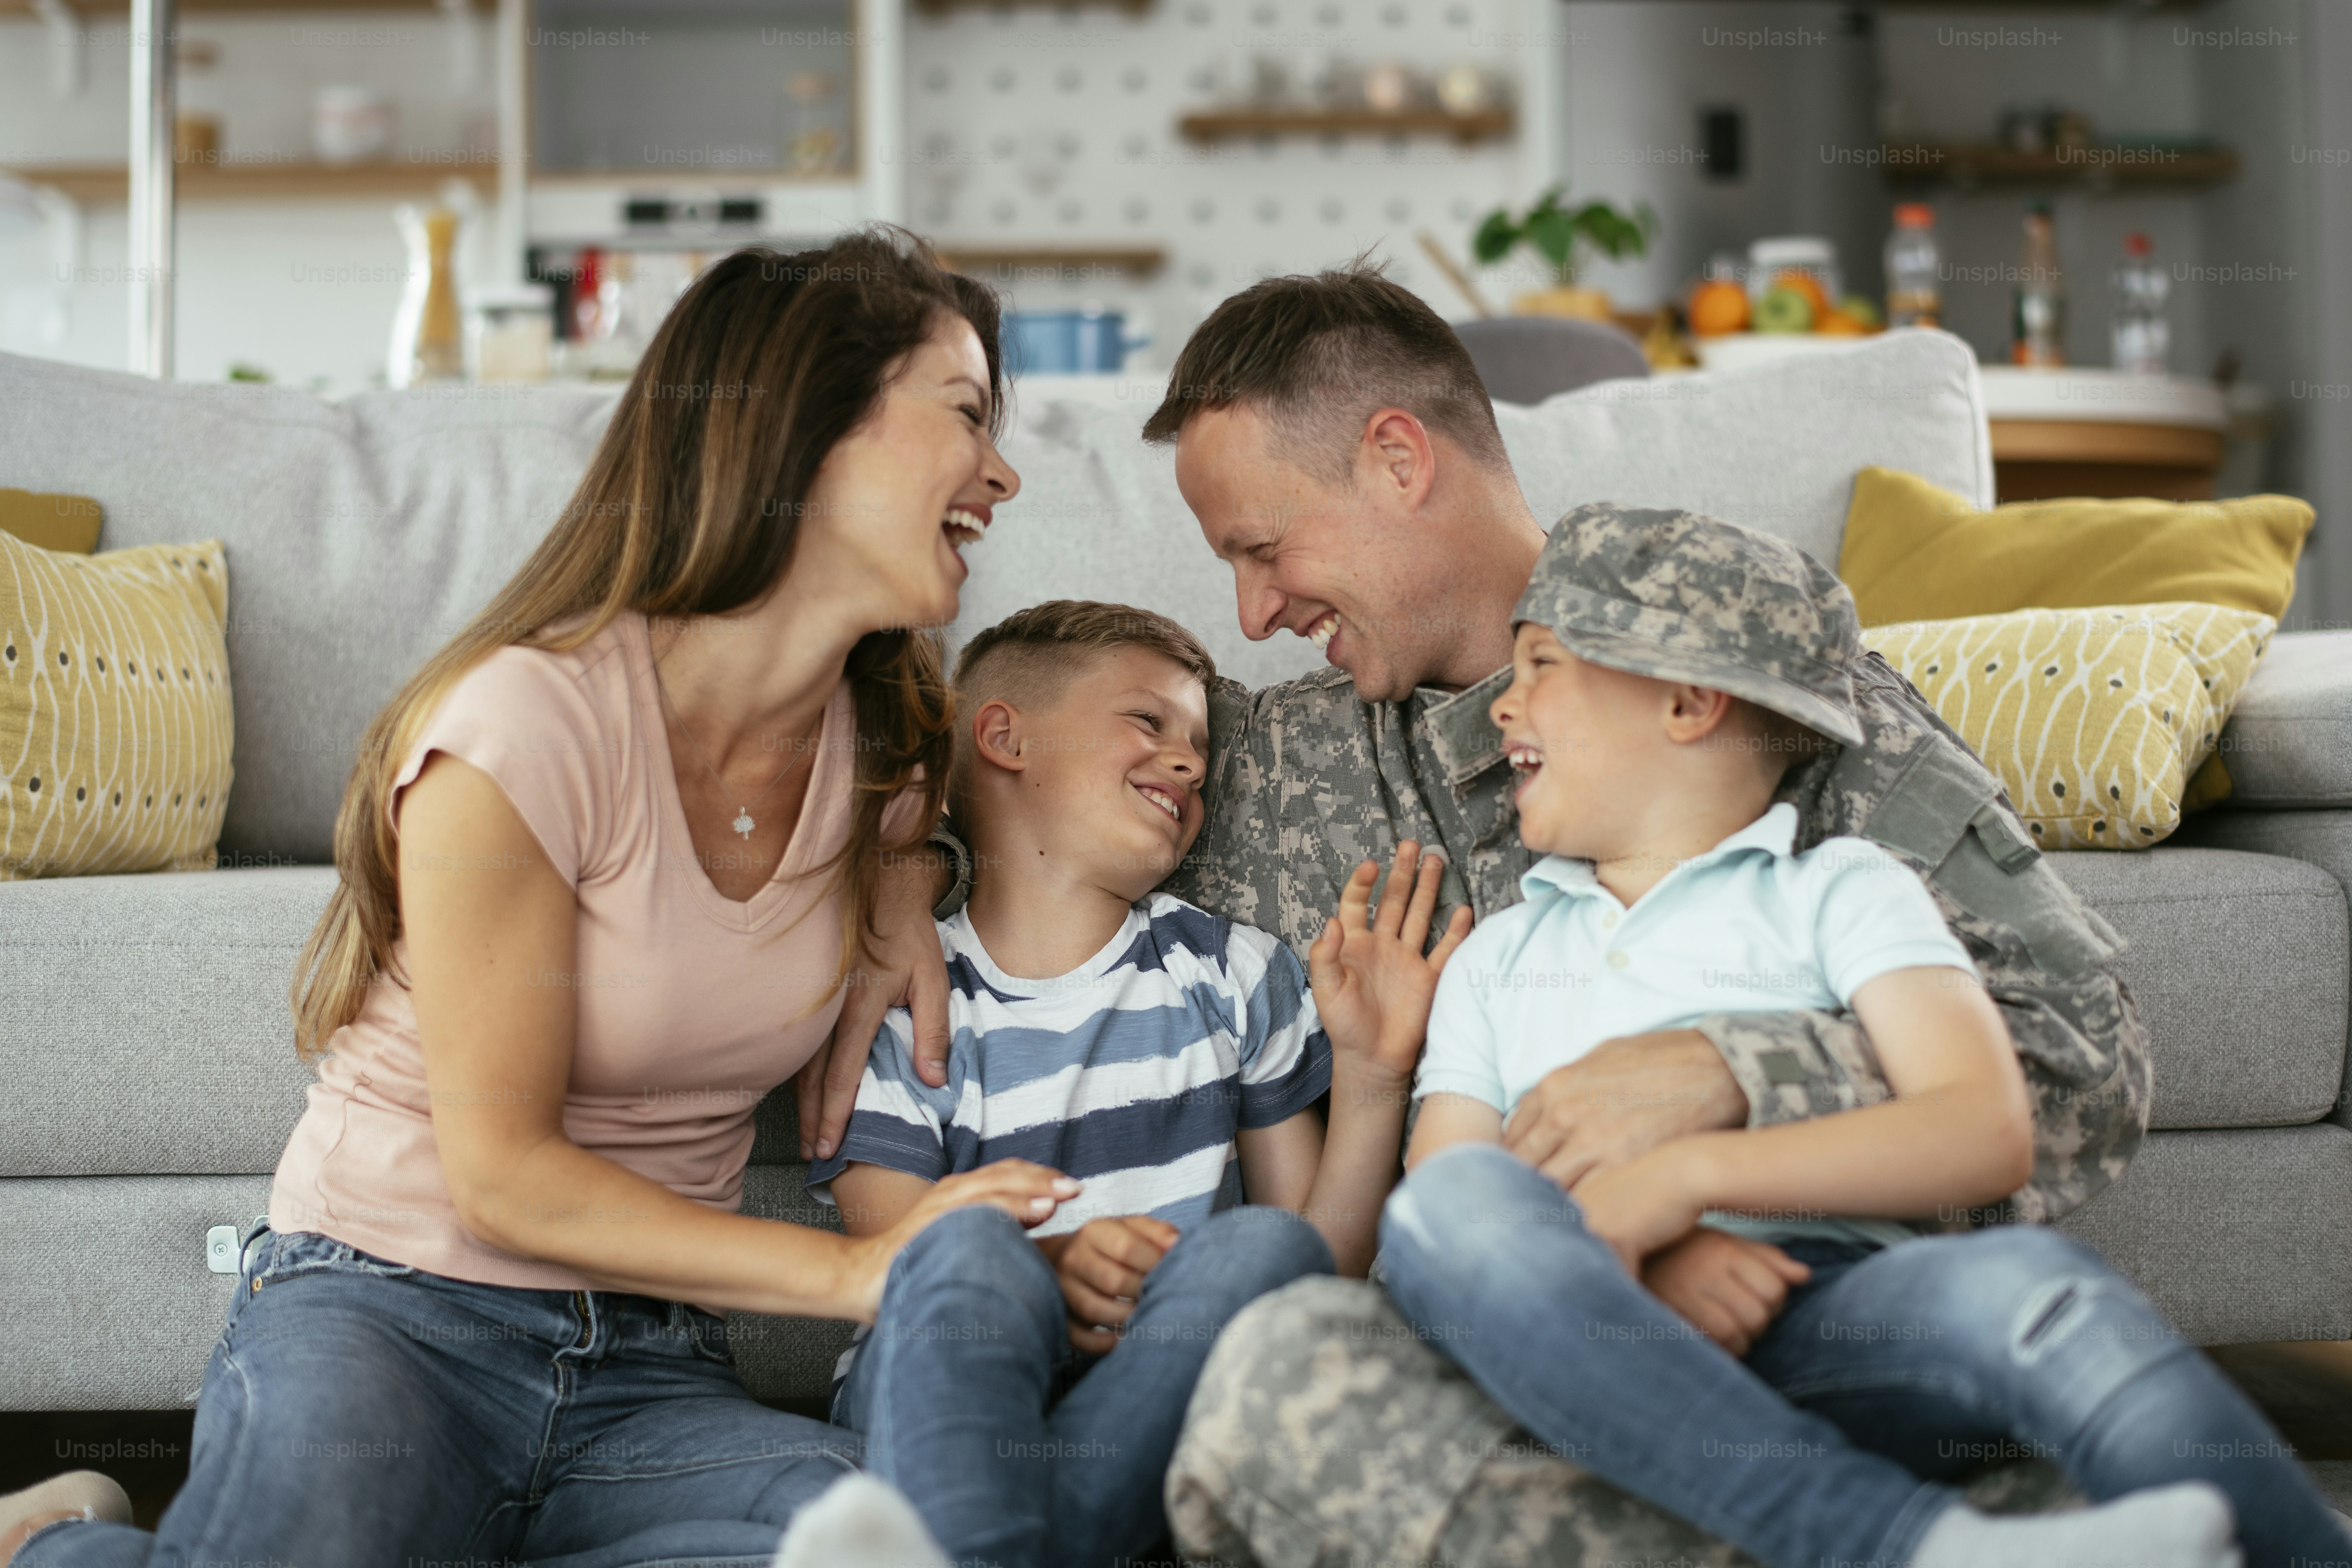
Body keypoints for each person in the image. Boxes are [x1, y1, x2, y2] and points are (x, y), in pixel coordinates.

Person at [803, 260, 2152, 1562]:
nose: (1252, 614)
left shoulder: (1745, 686)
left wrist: (1733, 1074)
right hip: (1473, 1379)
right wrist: (900, 878)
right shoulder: (1266, 761)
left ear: (1399, 459)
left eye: (1264, 549)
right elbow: (1022, 783)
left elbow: (2083, 1053)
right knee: (1274, 1370)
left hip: (1788, 1319)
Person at [0, 230, 1067, 1568]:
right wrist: (860, 1271)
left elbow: (973, 810)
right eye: (966, 414)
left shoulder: (884, 745)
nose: (1002, 473)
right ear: (803, 425)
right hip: (391, 1316)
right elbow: (502, 1177)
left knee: (890, 1546)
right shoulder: (526, 722)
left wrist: (913, 880)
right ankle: (54, 1537)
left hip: (651, 1368)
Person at [1383, 504, 2349, 1568]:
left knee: (2029, 1287)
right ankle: (1918, 1546)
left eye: (1541, 665)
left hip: (1833, 1317)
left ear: (1688, 701)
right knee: (1445, 1207)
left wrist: (1688, 1178)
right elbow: (1450, 1216)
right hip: (1587, 1341)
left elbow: (1983, 1130)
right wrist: (1644, 1270)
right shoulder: (1497, 957)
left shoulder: (1844, 887)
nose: (1501, 704)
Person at [810, 600, 1467, 1567]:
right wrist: (1050, 1269)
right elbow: (890, 1267)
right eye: (1148, 722)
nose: (1190, 765)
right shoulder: (905, 998)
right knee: (971, 1251)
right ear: (1005, 739)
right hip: (946, 1400)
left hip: (1164, 1395)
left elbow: (1314, 1267)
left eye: (1199, 745)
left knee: (1264, 1248)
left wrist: (1373, 1075)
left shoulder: (1233, 973)